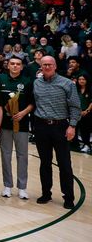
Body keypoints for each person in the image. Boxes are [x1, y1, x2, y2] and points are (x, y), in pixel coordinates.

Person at [32, 56, 81, 209]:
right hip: (41, 127)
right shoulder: (37, 83)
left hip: (60, 127)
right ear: (40, 66)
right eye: (44, 64)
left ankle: (68, 197)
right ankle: (46, 193)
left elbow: (75, 106)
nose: (47, 67)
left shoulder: (67, 83)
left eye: (50, 64)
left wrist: (72, 126)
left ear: (55, 66)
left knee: (64, 164)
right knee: (45, 162)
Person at [0, 56, 34, 200]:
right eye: (12, 64)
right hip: (5, 124)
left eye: (18, 64)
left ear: (22, 67)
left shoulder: (28, 81)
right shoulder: (1, 78)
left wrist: (23, 113)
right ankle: (7, 186)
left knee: (22, 156)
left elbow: (32, 103)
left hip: (22, 125)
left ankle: (22, 187)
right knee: (5, 155)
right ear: (8, 66)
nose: (15, 66)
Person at [77, 74, 92, 154]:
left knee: (86, 129)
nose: (81, 81)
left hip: (88, 112)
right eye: (80, 79)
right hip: (78, 112)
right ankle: (84, 144)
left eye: (83, 79)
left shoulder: (90, 89)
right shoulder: (76, 90)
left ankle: (87, 145)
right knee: (80, 129)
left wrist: (87, 110)